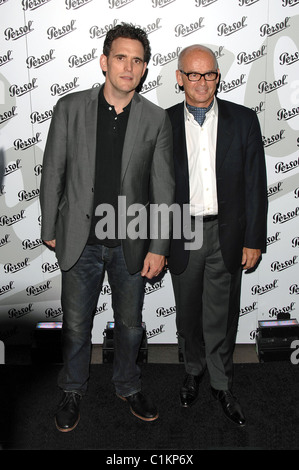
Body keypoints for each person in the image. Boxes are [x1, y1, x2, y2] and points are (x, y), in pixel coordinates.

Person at [40, 23, 174, 432]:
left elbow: (164, 188)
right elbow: (53, 172)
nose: (128, 67)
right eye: (121, 57)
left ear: (145, 69)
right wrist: (49, 224)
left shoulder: (155, 119)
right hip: (79, 240)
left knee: (130, 324)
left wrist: (159, 245)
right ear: (104, 61)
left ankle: (128, 384)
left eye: (137, 60)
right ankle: (73, 387)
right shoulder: (69, 108)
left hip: (130, 242)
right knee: (77, 323)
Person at [167, 45, 267, 426]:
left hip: (228, 233)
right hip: (183, 232)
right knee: (188, 312)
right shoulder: (164, 123)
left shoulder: (243, 120)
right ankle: (192, 372)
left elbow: (256, 184)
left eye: (209, 74)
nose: (202, 82)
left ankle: (222, 383)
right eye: (193, 74)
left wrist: (254, 238)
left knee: (222, 316)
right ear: (180, 78)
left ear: (217, 76)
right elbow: (155, 187)